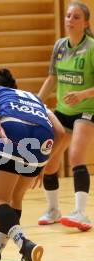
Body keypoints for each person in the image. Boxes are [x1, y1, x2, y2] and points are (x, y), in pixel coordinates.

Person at [0, 68, 59, 261]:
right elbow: (61, 131)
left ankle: (25, 245)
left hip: (11, 130)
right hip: (43, 138)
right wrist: (44, 163)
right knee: (14, 199)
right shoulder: (33, 98)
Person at [37, 1, 94, 231]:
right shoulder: (59, 46)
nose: (70, 19)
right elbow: (52, 79)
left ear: (86, 23)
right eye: (68, 15)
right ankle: (53, 210)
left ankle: (81, 213)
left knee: (76, 157)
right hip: (63, 110)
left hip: (87, 109)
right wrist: (36, 101)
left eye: (76, 17)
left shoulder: (91, 48)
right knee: (49, 160)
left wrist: (82, 95)